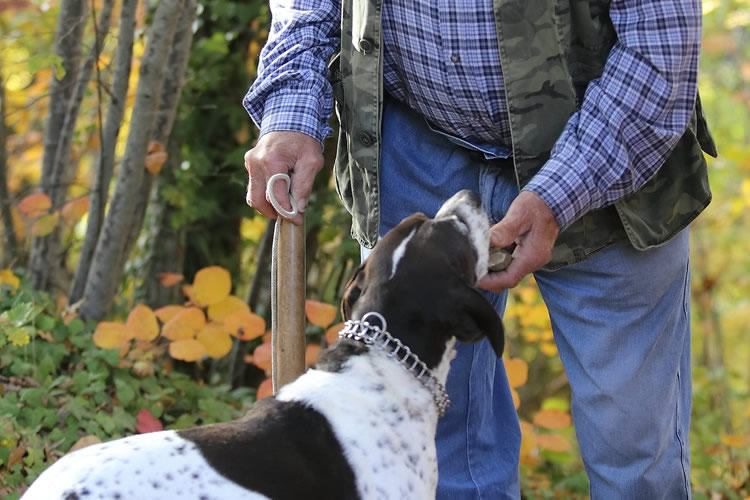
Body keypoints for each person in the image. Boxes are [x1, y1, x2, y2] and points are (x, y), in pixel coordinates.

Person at [242, 0, 717, 497]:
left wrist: (561, 193)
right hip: (416, 146)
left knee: (635, 455)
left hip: (609, 148)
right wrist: (289, 113)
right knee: (439, 452)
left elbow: (659, 49)